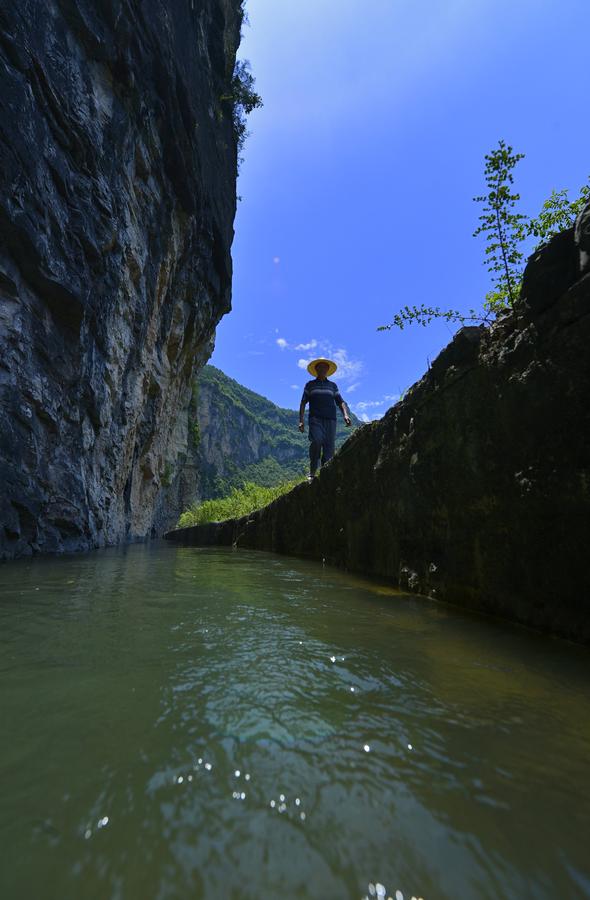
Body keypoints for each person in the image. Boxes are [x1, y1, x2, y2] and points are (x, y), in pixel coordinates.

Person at [298, 357, 351, 480]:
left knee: (329, 449)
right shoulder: (310, 385)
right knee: (316, 441)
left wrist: (346, 415)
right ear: (316, 369)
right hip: (315, 419)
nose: (322, 369)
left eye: (324, 367)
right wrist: (301, 421)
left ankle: (325, 476)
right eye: (319, 367)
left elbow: (340, 402)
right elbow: (303, 403)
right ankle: (312, 472)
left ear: (328, 370)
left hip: (331, 420)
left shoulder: (332, 386)